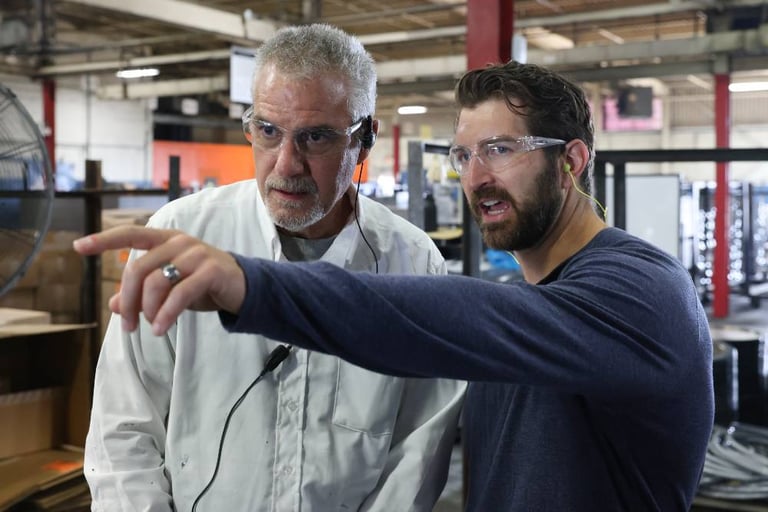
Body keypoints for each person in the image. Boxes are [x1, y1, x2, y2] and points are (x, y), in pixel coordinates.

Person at [75, 61, 714, 511]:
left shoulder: (642, 292)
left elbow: (467, 322)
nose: (476, 177)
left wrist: (253, 285)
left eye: (500, 149)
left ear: (570, 161)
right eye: (464, 155)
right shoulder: (531, 303)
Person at [83, 24, 465, 512]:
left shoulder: (412, 264)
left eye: (315, 138)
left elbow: (417, 453)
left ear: (364, 139)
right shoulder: (182, 237)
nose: (286, 164)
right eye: (267, 131)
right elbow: (124, 428)